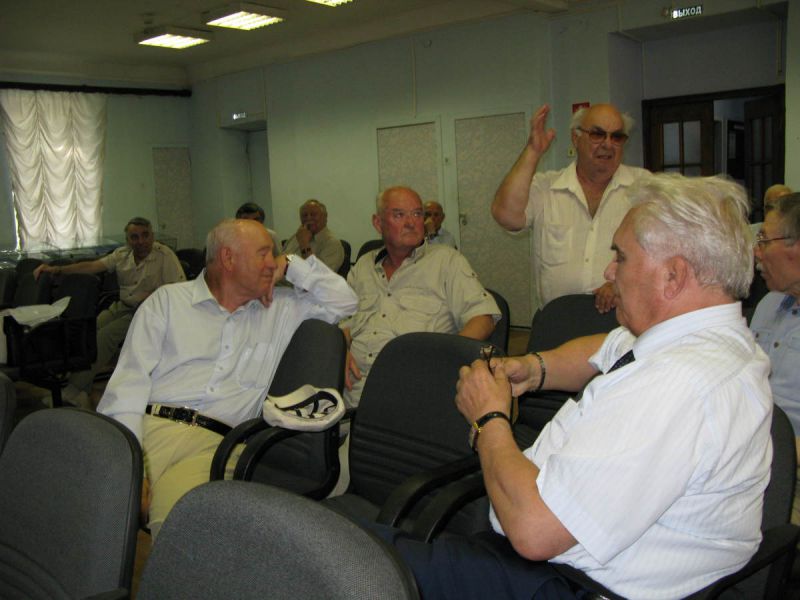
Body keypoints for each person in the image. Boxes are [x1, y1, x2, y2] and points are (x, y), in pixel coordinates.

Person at [379, 174, 771, 599]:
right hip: (553, 554)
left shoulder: (676, 385)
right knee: (360, 550)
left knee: (358, 560)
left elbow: (534, 531)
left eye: (621, 257)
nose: (609, 271)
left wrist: (488, 419)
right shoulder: (703, 337)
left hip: (570, 581)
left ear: (673, 276)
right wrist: (534, 368)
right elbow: (604, 347)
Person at [97, 218, 357, 538]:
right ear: (228, 258)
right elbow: (127, 385)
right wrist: (128, 458)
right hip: (148, 428)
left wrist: (291, 265)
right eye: (263, 253)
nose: (272, 262)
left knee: (179, 530)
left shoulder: (282, 309)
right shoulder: (168, 302)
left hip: (215, 444)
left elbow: (345, 301)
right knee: (88, 512)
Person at [342, 186, 499, 408]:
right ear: (378, 223)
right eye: (399, 215)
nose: (411, 222)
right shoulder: (363, 266)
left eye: (417, 214)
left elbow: (483, 318)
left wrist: (443, 363)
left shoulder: (447, 261)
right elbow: (344, 321)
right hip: (353, 391)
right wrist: (339, 351)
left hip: (416, 393)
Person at [492, 103, 649, 314]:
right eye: (597, 135)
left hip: (623, 318)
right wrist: (533, 151)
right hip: (557, 319)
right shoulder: (546, 187)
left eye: (616, 137)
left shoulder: (644, 187)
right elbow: (505, 216)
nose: (607, 144)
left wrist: (622, 281)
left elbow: (664, 252)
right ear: (576, 138)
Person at [33, 217, 185, 409]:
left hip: (151, 311)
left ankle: (74, 389)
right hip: (124, 305)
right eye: (134, 237)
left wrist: (154, 294)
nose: (141, 241)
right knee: (88, 331)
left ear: (152, 236)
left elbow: (179, 289)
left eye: (145, 235)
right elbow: (91, 267)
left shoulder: (165, 255)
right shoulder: (122, 254)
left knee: (105, 338)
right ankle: (83, 388)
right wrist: (57, 270)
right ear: (127, 240)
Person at [750, 192, 800, 522]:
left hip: (787, 474)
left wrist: (759, 450)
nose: (757, 251)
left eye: (765, 241)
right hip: (749, 463)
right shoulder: (769, 305)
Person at [282, 199, 345, 273]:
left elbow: (318, 275)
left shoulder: (333, 244)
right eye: (304, 215)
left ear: (325, 217)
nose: (308, 218)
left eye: (313, 214)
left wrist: (304, 244)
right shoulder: (295, 238)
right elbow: (282, 261)